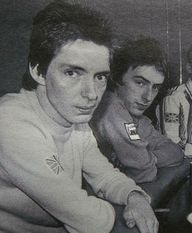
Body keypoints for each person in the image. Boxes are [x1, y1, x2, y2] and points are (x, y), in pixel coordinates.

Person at [0, 2, 158, 233]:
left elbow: (104, 175)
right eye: (72, 72)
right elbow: (88, 219)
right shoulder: (11, 122)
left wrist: (135, 197)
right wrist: (112, 208)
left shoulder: (74, 118)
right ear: (38, 70)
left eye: (100, 77)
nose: (91, 94)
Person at [91, 37, 185, 185]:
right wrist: (144, 162)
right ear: (117, 77)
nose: (148, 97)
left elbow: (176, 152)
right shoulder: (110, 107)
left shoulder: (138, 119)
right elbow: (144, 173)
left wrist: (150, 158)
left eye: (155, 87)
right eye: (140, 83)